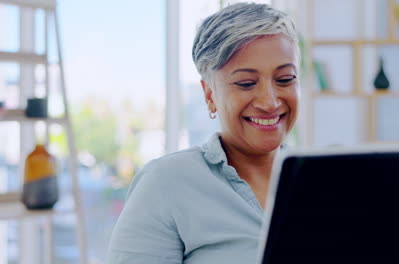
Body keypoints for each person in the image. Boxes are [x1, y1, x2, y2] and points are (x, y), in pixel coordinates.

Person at [107, 2, 299, 263]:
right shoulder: (165, 183)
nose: (270, 102)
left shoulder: (328, 182)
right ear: (210, 95)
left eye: (285, 79)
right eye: (246, 83)